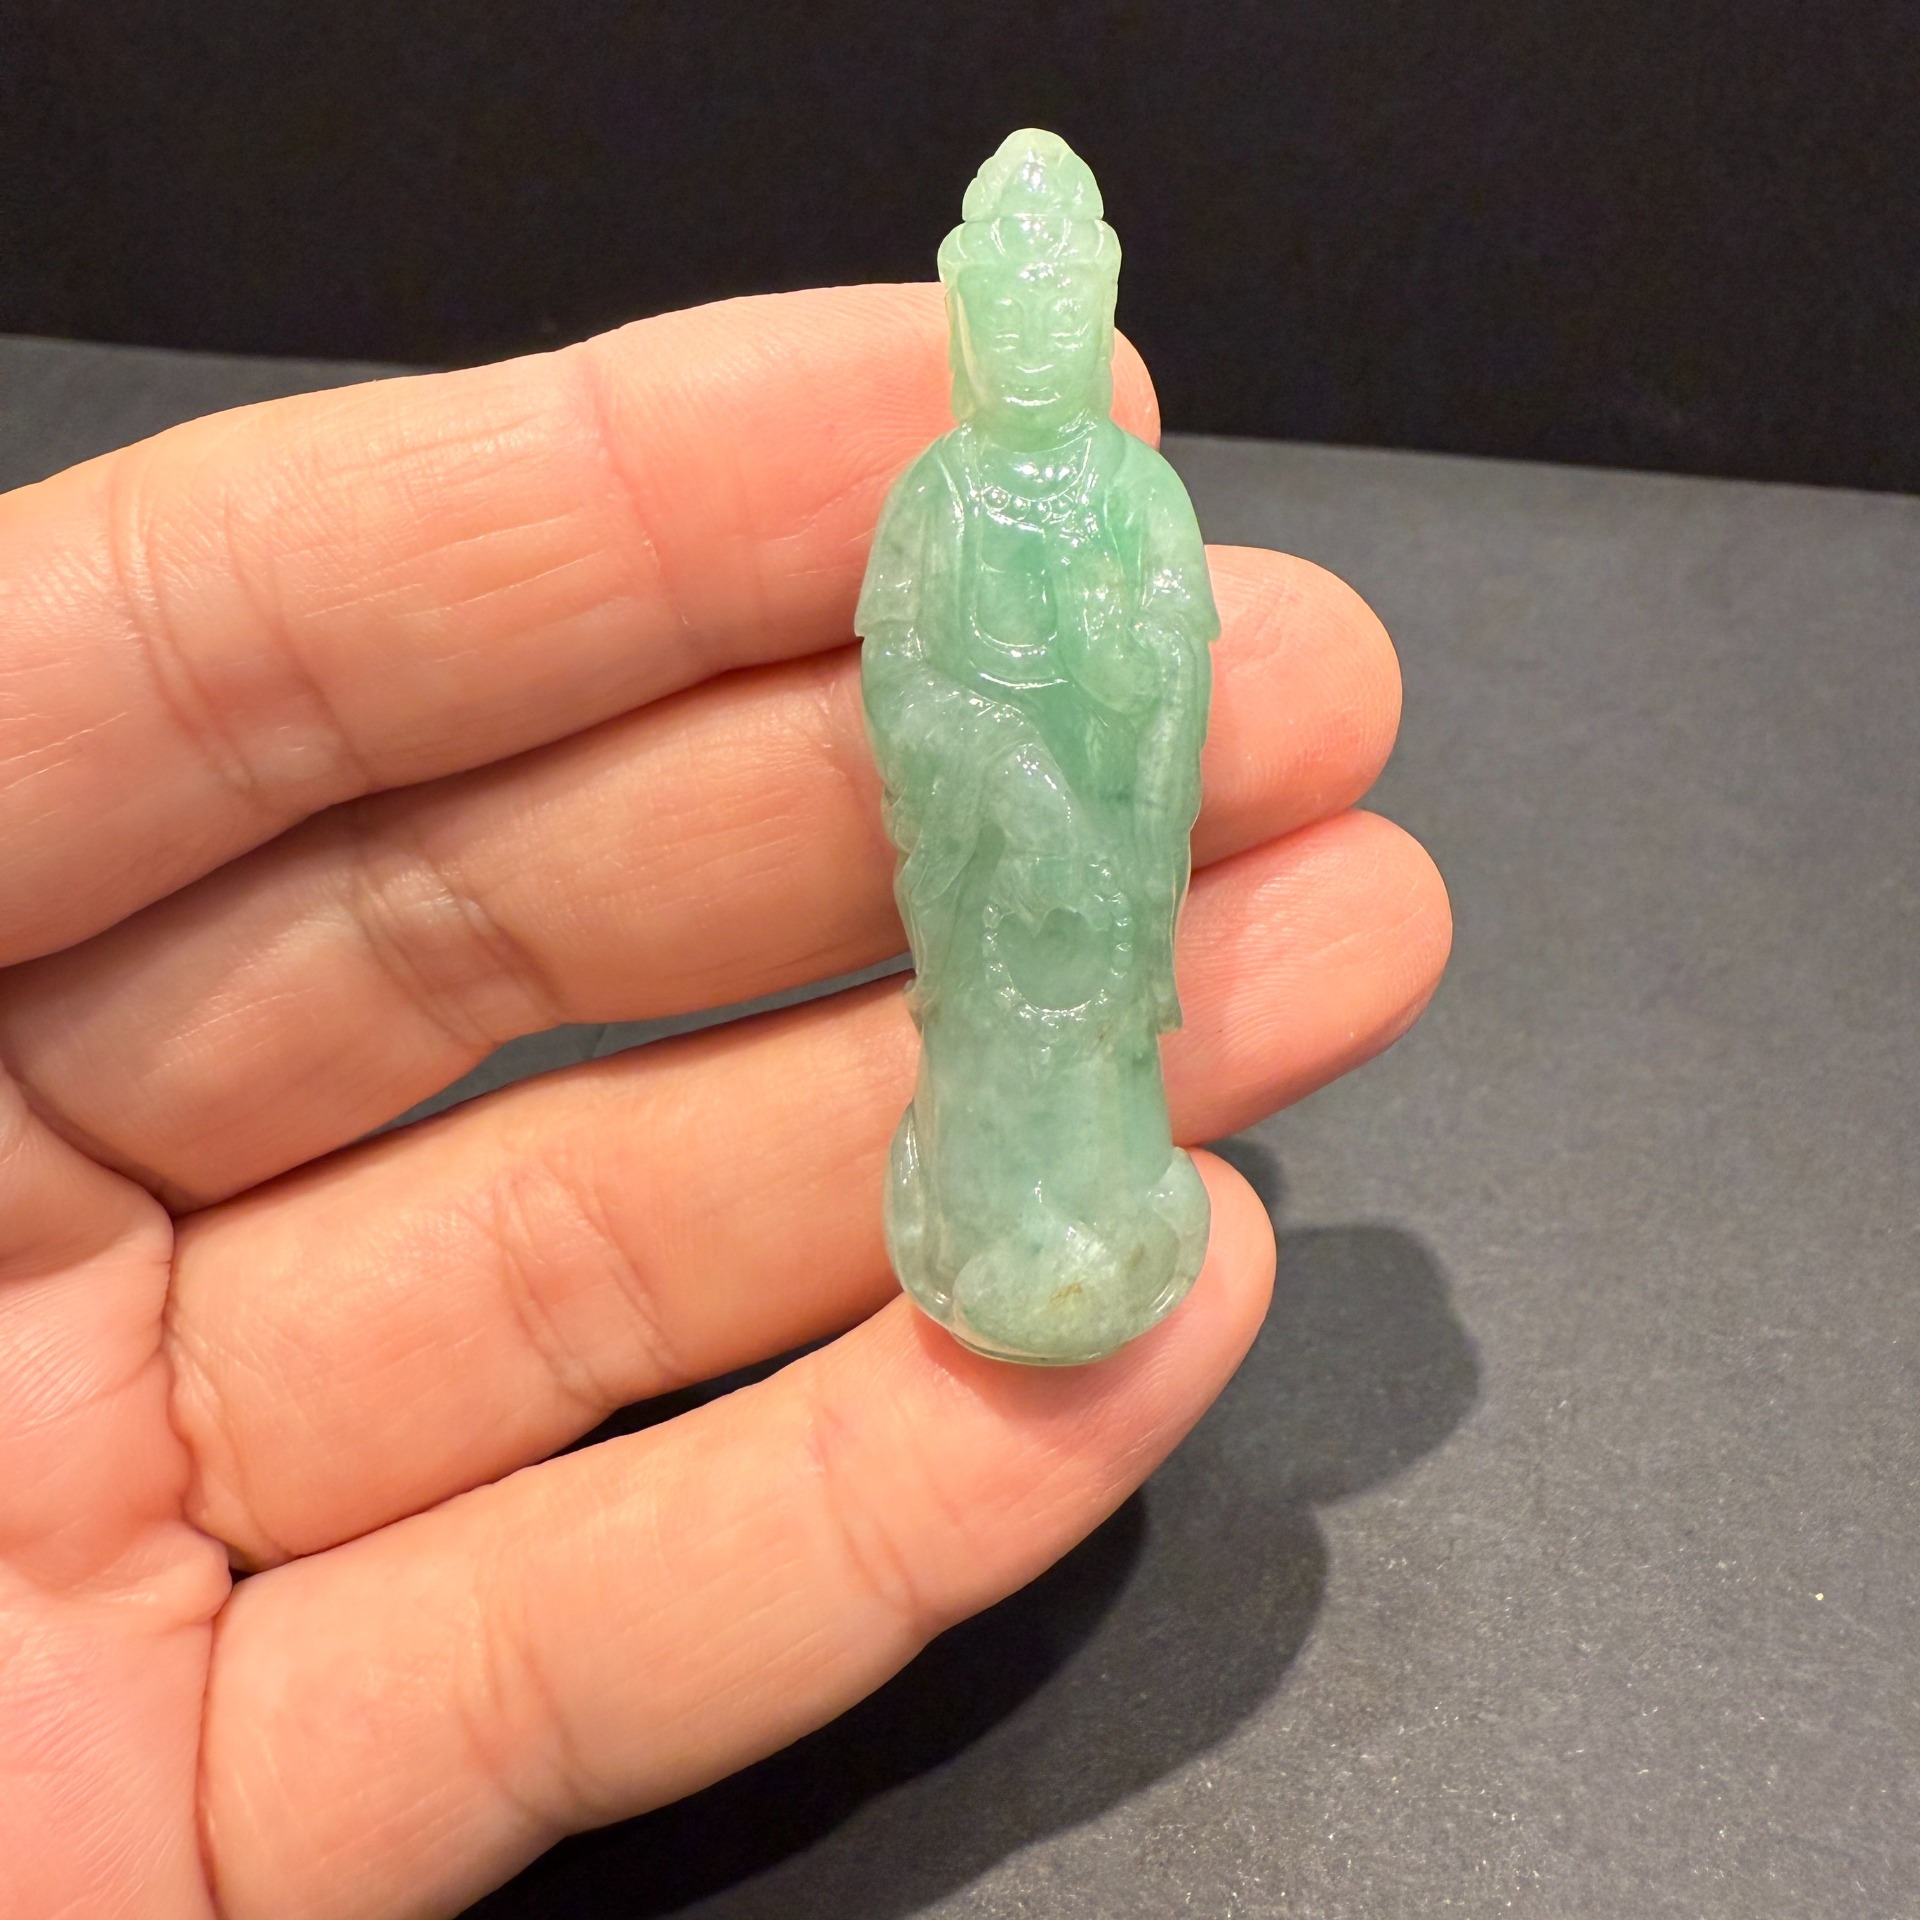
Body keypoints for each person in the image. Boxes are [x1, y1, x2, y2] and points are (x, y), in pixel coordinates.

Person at [0, 283, 1449, 1919]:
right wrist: (996, 765)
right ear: (980, 322)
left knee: (1092, 1046)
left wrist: (1115, 726)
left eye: (1067, 305)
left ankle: (1102, 1222)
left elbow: (1173, 675)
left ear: (1095, 304)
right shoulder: (942, 493)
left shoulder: (1128, 494)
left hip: (1097, 862)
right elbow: (907, 683)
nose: (1041, 339)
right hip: (990, 846)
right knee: (991, 1052)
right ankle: (988, 1226)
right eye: (1015, 306)